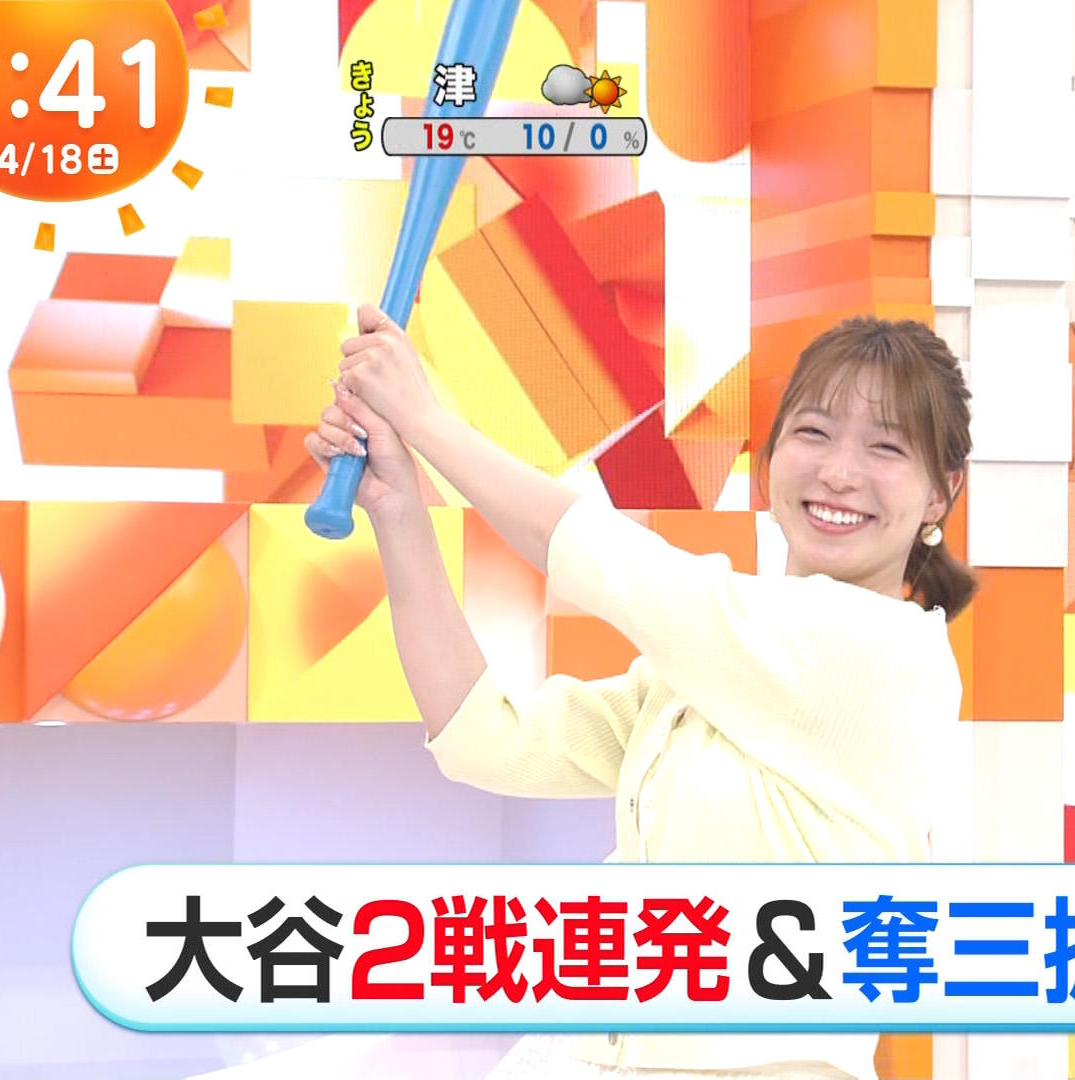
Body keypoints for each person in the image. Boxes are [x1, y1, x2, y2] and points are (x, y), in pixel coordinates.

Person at [304, 305, 976, 1080]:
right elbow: (489, 741)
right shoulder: (715, 672)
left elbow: (599, 558)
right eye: (814, 432)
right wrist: (398, 508)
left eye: (885, 447)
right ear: (771, 458)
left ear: (940, 494)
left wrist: (423, 419)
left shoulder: (882, 651)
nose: (839, 473)